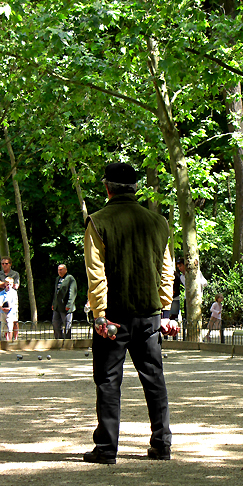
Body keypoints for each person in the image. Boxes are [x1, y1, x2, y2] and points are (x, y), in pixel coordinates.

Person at [83, 162, 177, 464]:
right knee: (154, 379)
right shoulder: (158, 222)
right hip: (149, 313)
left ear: (106, 187)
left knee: (109, 381)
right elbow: (167, 271)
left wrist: (99, 313)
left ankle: (107, 448)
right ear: (136, 188)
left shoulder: (98, 221)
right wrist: (163, 309)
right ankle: (162, 444)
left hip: (113, 317)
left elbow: (96, 275)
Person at [0, 257, 20, 341]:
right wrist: (8, 283)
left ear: (10, 264)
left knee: (14, 319)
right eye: (3, 264)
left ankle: (15, 338)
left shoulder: (15, 274)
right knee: (0, 320)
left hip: (12, 299)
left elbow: (16, 286)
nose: (4, 265)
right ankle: (2, 339)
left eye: (6, 263)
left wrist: (3, 283)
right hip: (1, 299)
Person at [51, 264, 77, 339]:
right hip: (57, 306)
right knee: (55, 323)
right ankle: (59, 339)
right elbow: (56, 293)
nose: (59, 271)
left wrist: (69, 304)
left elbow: (72, 293)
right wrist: (53, 303)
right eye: (58, 270)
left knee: (67, 325)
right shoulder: (57, 279)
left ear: (65, 270)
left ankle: (67, 341)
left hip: (66, 306)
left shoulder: (70, 278)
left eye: (61, 269)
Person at [0, 277, 18, 341]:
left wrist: (9, 308)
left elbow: (14, 302)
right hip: (3, 312)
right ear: (5, 284)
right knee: (4, 326)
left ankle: (10, 340)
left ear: (12, 284)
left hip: (11, 312)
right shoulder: (2, 293)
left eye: (10, 284)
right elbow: (0, 301)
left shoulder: (14, 292)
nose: (8, 285)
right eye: (7, 284)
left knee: (10, 327)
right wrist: (2, 307)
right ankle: (6, 340)